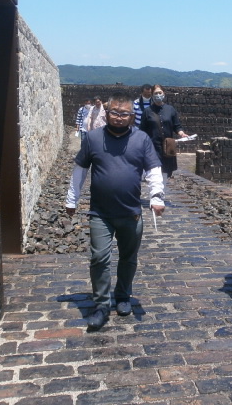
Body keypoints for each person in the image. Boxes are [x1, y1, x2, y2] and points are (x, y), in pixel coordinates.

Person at [65, 92, 166, 330]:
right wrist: (72, 199)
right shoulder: (93, 138)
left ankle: (122, 295)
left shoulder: (141, 139)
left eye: (125, 114)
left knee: (128, 258)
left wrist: (156, 197)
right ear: (107, 112)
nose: (119, 117)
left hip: (131, 212)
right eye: (115, 113)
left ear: (132, 116)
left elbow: (153, 170)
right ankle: (101, 305)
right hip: (100, 213)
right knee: (99, 258)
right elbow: (80, 170)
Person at [139, 84, 188, 180]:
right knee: (154, 174)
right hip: (153, 147)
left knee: (166, 174)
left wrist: (181, 133)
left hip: (167, 147)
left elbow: (177, 126)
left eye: (159, 93)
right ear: (152, 95)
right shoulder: (147, 111)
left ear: (163, 93)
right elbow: (142, 130)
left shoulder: (170, 109)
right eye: (155, 93)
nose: (158, 95)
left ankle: (164, 188)